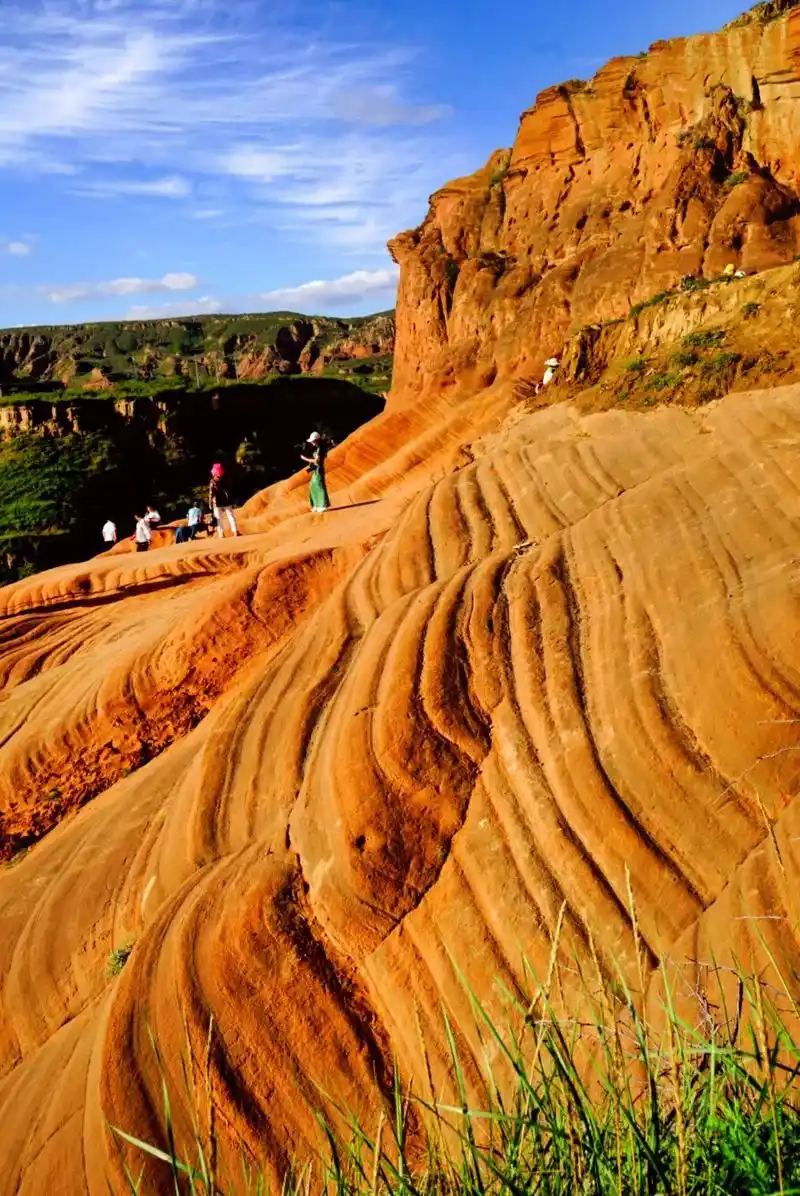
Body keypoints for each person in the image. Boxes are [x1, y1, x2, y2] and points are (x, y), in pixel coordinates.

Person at [300, 431, 330, 513]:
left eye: (313, 440)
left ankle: (323, 505)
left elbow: (316, 460)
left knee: (319, 485)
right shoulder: (317, 448)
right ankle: (316, 505)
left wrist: (304, 458)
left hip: (319, 469)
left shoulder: (321, 448)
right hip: (316, 469)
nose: (312, 442)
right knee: (312, 485)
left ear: (317, 440)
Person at [208, 463, 239, 538]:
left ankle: (221, 534)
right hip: (226, 501)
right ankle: (235, 532)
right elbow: (230, 489)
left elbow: (211, 493)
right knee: (231, 516)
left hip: (216, 502)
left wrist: (210, 503)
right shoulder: (226, 480)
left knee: (219, 519)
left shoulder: (213, 482)